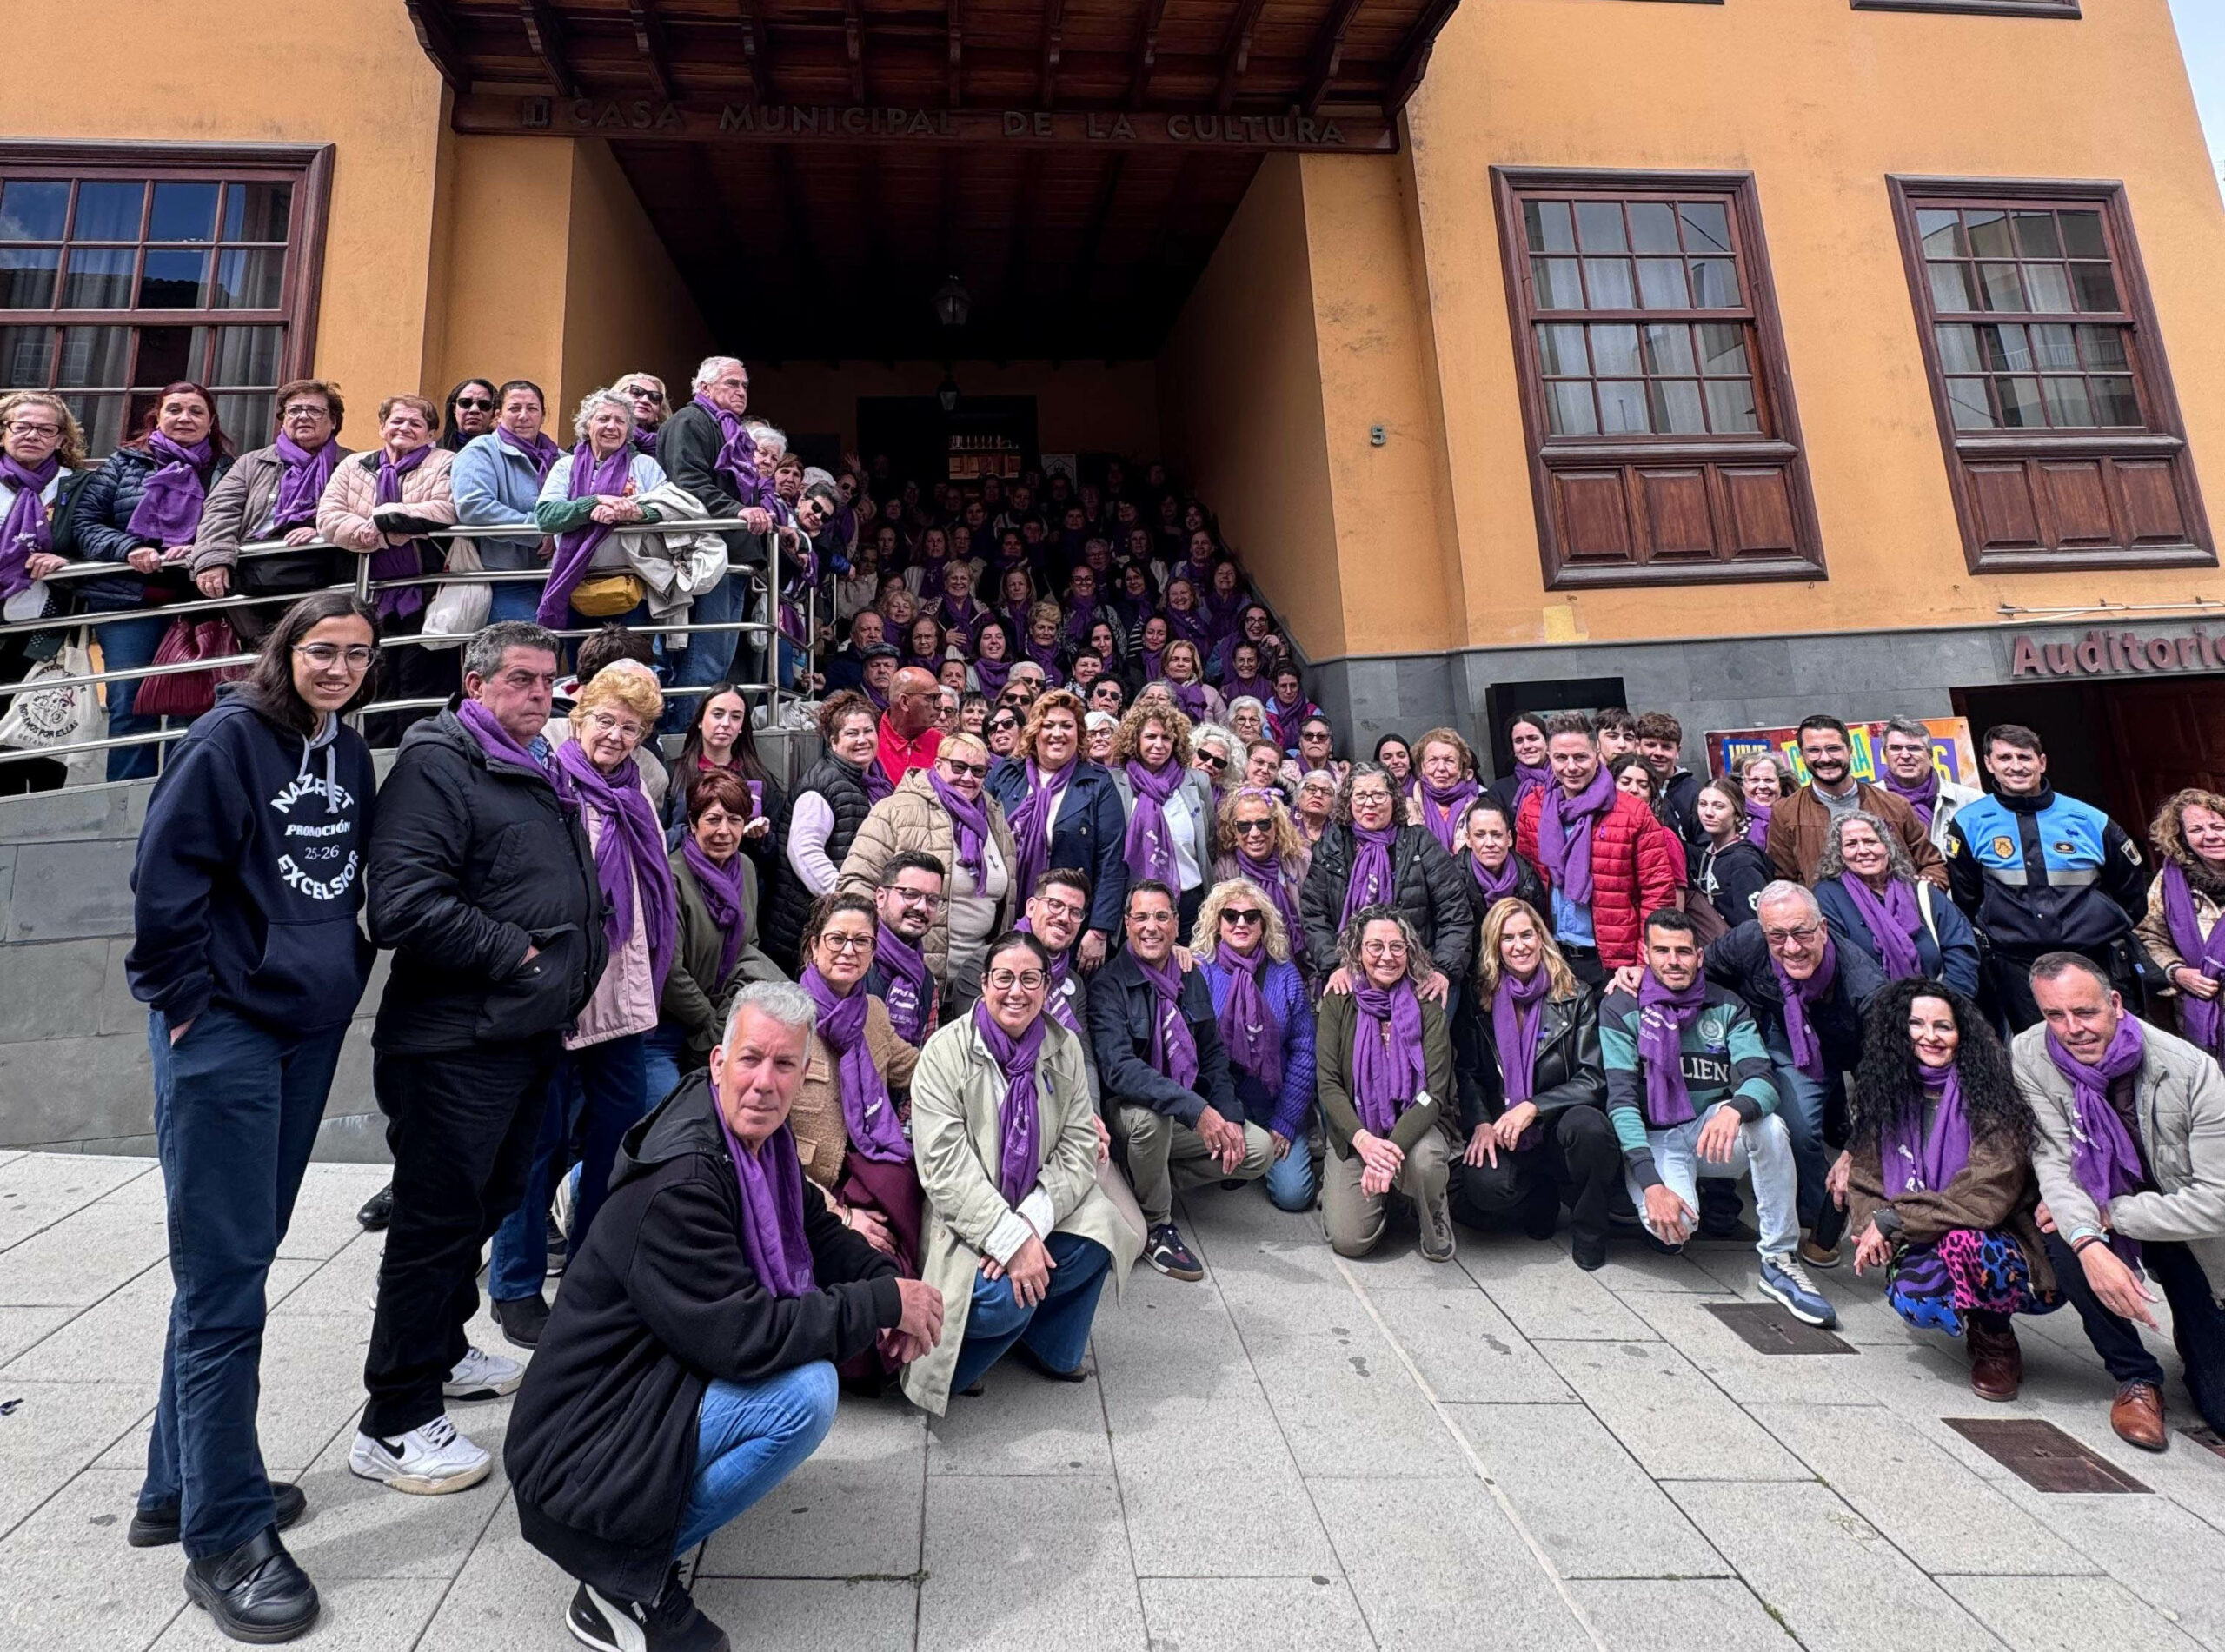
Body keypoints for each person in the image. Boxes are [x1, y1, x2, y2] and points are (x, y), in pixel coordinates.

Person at [506, 983, 941, 1652]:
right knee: (805, 1395)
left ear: (804, 1072)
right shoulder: (684, 1179)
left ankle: (639, 1538)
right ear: (718, 1062)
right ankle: (621, 1574)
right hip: (576, 1451)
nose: (764, 1082)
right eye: (750, 1059)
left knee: (803, 1371)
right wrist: (882, 1307)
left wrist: (889, 1284)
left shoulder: (757, 1141)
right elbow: (745, 1336)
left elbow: (818, 1230)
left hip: (642, 1383)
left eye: (784, 1064)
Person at [123, 592, 382, 1642]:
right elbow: (160, 876)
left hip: (303, 1025)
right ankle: (224, 1534)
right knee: (225, 1280)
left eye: (357, 654)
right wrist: (183, 1001)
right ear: (288, 649)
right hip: (224, 1028)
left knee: (236, 1260)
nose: (340, 667)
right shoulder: (227, 739)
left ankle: (176, 1482)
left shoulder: (348, 751)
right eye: (323, 650)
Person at [358, 620, 604, 1496]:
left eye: (548, 681)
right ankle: (394, 1419)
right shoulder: (438, 764)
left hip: (518, 1031)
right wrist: (518, 955)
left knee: (490, 1201)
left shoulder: (531, 760)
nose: (541, 694)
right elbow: (400, 902)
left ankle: (443, 1346)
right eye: (522, 680)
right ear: (476, 684)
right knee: (435, 1224)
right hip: (454, 1040)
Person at [488, 663, 676, 1349]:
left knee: (615, 1140)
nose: (616, 736)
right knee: (536, 1143)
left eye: (631, 727)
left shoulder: (636, 790)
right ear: (580, 716)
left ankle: (591, 1273)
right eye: (605, 720)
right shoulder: (552, 783)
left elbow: (651, 891)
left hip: (622, 996)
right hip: (560, 994)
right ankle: (514, 1285)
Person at [903, 932, 1139, 1412]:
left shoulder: (1063, 1045)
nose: (1017, 991)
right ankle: (963, 1364)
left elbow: (1079, 1143)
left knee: (1103, 1234)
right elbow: (946, 1170)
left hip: (1034, 1202)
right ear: (984, 984)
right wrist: (1009, 1241)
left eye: (1030, 979)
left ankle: (1049, 1344)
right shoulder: (944, 1052)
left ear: (1047, 987)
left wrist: (1031, 1223)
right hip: (966, 1218)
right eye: (1004, 978)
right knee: (1005, 1303)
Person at [2014, 952, 2225, 1449]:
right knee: (2061, 1232)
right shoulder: (2029, 1052)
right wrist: (2088, 1241)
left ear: (2115, 1003)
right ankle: (2136, 1376)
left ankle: (2196, 1336)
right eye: (2054, 1015)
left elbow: (2218, 1202)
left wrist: (2114, 1213)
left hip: (2178, 1218)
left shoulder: (2192, 1071)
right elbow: (2054, 1161)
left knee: (2220, 1410)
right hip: (2094, 1201)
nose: (2072, 1029)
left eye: (2085, 1012)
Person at [1600, 909, 1835, 1325]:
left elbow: (1762, 1079)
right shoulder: (1621, 1006)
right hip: (1655, 1138)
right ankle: (1640, 1190)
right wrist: (1652, 1183)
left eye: (1683, 951)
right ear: (1645, 955)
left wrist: (1734, 1109)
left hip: (1705, 1130)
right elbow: (1620, 1101)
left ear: (1700, 956)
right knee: (1674, 1228)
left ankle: (1779, 1258)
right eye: (1662, 951)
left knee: (1770, 1127)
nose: (1674, 961)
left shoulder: (1726, 1004)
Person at [1844, 981, 2058, 1401]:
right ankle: (1970, 1314)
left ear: (1963, 1034)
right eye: (1917, 1024)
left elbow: (1984, 1198)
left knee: (1966, 1242)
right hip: (1921, 1231)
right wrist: (1871, 1225)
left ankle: (1995, 1343)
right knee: (1916, 1301)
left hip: (2000, 1238)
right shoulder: (1887, 1091)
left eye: (1944, 1026)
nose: (1930, 1036)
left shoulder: (1991, 1094)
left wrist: (1894, 1219)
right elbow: (1866, 1178)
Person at [1091, 879, 1270, 1279]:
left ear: (1175, 923)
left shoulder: (1190, 976)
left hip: (1182, 1108)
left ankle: (1142, 1182)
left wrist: (1227, 1115)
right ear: (1127, 923)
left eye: (1160, 917)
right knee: (1150, 1124)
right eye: (1141, 917)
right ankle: (1157, 1224)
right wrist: (1197, 1111)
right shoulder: (1108, 984)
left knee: (1256, 1149)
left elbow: (1212, 1055)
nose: (1150, 927)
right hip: (1130, 1113)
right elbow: (1120, 1069)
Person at [1703, 881, 1883, 1265]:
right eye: (1777, 936)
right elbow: (1703, 973)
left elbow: (1887, 1077)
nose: (1792, 947)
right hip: (1787, 1036)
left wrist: (1857, 1149)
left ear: (1823, 929)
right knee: (1798, 1129)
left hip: (1854, 1049)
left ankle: (1830, 1217)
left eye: (1802, 933)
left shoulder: (1865, 985)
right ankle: (1810, 1211)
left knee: (1837, 1136)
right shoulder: (1748, 941)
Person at [72, 381, 236, 780]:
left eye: (196, 411)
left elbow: (239, 525)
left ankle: (184, 796)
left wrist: (201, 547)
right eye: (174, 409)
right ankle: (126, 799)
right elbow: (85, 523)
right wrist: (128, 548)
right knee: (130, 702)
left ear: (211, 421)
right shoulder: (124, 463)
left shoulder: (227, 469)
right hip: (129, 600)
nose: (185, 418)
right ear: (157, 417)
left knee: (193, 704)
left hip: (198, 603)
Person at [1450, 898, 1617, 1269]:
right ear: (1495, 946)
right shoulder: (1480, 999)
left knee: (1592, 1129)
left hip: (1559, 1126)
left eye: (1527, 935)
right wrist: (1480, 1122)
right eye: (1508, 938)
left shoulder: (1575, 994)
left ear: (1541, 937)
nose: (1519, 946)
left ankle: (1590, 1229)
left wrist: (1535, 1106)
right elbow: (1470, 1072)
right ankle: (1538, 1195)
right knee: (1481, 1189)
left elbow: (1593, 1077)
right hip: (1506, 1129)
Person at [1947, 724, 2149, 1032]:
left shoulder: (2089, 819)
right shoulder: (1969, 823)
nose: (2016, 766)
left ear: (2041, 763)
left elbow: (2130, 887)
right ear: (1989, 763)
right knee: (2037, 1047)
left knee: (2110, 1037)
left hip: (2093, 957)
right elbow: (1967, 896)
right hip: (2017, 965)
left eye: (2025, 757)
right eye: (2005, 758)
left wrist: (2103, 923)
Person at [787, 895, 927, 1316]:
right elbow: (766, 1151)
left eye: (861, 941)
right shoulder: (786, 1020)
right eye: (837, 939)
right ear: (814, 946)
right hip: (807, 1195)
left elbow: (922, 1071)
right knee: (875, 1271)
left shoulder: (874, 1014)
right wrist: (841, 1216)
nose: (849, 950)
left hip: (867, 1174)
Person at [316, 392, 460, 743]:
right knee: (375, 678)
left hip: (426, 591)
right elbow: (328, 518)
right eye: (397, 420)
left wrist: (382, 519)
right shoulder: (354, 465)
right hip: (369, 594)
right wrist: (378, 534)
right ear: (382, 427)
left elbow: (445, 509)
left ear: (431, 433)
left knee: (419, 679)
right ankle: (375, 754)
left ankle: (419, 752)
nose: (405, 427)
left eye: (416, 423)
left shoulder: (446, 462)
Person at [1318, 907, 1458, 1260]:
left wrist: (1388, 1153)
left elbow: (1433, 1093)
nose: (1387, 956)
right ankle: (1381, 1194)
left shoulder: (1427, 1003)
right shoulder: (1338, 999)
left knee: (1425, 1160)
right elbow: (1329, 1084)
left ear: (1409, 951)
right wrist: (1364, 1141)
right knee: (1349, 1240)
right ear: (1358, 951)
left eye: (1397, 946)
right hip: (1358, 1133)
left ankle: (1433, 1208)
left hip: (1415, 1127)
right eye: (1375, 946)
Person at [840, 735, 1016, 1009]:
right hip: (906, 975)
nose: (968, 777)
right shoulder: (896, 810)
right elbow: (857, 882)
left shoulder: (995, 818)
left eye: (978, 771)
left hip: (975, 983)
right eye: (958, 767)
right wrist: (878, 951)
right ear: (938, 764)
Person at [648, 769, 782, 1112]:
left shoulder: (746, 869)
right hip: (667, 1031)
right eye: (713, 819)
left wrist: (727, 1020)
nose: (724, 831)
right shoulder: (672, 877)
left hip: (724, 1021)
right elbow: (670, 972)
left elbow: (749, 949)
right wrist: (710, 1022)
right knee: (676, 1117)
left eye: (734, 820)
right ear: (693, 823)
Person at [1515, 713, 1678, 986]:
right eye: (1561, 758)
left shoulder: (1633, 812)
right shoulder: (1533, 808)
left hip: (1613, 963)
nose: (1571, 767)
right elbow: (1525, 883)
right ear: (1549, 757)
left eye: (1580, 757)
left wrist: (1643, 961)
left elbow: (1657, 892)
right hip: (1551, 955)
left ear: (1597, 754)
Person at [189, 380, 350, 643]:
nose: (303, 417)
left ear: (333, 421)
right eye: (294, 410)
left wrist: (321, 529)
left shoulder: (351, 464)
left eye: (314, 410)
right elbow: (220, 511)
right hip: (255, 571)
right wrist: (213, 559)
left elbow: (361, 512)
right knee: (265, 653)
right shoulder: (252, 463)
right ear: (283, 419)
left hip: (323, 572)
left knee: (311, 648)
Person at [1192, 879, 1319, 1213]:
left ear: (1264, 924)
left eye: (1251, 916)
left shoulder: (1285, 974)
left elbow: (1304, 1052)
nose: (1241, 923)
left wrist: (1286, 1120)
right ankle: (1244, 1157)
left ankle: (1258, 1155)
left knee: (1293, 1196)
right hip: (1221, 1105)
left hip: (1272, 1104)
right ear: (1217, 922)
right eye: (1230, 915)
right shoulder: (1201, 970)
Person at [1300, 761, 1472, 1000]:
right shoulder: (1332, 845)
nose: (1369, 803)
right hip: (1351, 973)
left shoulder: (1420, 842)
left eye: (1379, 795)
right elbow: (1314, 914)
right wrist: (1334, 965)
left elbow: (1455, 912)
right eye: (1360, 795)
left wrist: (1443, 969)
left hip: (1418, 975)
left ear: (1394, 799)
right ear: (1348, 801)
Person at [656, 356, 775, 695]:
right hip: (707, 553)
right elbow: (688, 482)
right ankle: (687, 726)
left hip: (730, 555)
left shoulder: (729, 429)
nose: (741, 391)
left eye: (744, 386)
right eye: (732, 384)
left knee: (719, 661)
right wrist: (739, 511)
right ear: (704, 387)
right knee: (705, 659)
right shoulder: (690, 420)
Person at [986, 687, 1128, 965]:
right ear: (1034, 731)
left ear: (1079, 733)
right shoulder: (1006, 773)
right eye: (1048, 725)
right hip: (1003, 912)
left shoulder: (1098, 782)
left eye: (1067, 726)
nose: (1057, 733)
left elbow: (1112, 860)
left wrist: (1099, 930)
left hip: (1069, 921)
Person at [0, 391, 94, 796]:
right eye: (21, 426)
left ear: (61, 439)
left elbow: (96, 538)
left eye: (45, 429)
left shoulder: (78, 486)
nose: (32, 435)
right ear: (4, 432)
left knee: (42, 729)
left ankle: (38, 816)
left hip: (47, 628)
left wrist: (66, 561)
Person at [530, 387, 674, 637]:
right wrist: (592, 505)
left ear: (628, 430)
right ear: (587, 425)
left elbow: (667, 508)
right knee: (581, 659)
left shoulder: (645, 466)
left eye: (620, 421)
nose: (611, 426)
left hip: (630, 586)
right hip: (576, 584)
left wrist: (633, 514)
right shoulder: (566, 466)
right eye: (603, 419)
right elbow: (545, 516)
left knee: (630, 658)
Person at [767, 690, 886, 967]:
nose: (862, 739)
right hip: (808, 925)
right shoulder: (821, 785)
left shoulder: (873, 782)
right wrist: (847, 898)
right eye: (851, 733)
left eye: (868, 731)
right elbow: (804, 851)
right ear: (833, 741)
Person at [1765, 715, 1946, 889]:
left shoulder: (1895, 805)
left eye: (1833, 749)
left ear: (1850, 751)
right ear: (1801, 755)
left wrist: (1923, 893)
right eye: (1814, 750)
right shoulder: (1786, 812)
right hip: (1825, 909)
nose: (1825, 758)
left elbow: (1932, 865)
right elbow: (1783, 880)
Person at [1815, 812, 1980, 995]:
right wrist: (1894, 1009)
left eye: (1870, 841)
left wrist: (1947, 1001)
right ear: (1839, 855)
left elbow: (1960, 948)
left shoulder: (1921, 892)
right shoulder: (1829, 897)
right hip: (1873, 1007)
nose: (1863, 850)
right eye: (1851, 844)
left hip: (1940, 1002)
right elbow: (1844, 968)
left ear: (1887, 847)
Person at [451, 379, 562, 625]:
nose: (524, 416)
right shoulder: (480, 451)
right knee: (528, 642)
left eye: (532, 408)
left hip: (557, 575)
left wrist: (557, 534)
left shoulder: (561, 459)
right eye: (514, 408)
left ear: (543, 415)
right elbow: (474, 507)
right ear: (498, 415)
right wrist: (539, 530)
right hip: (503, 577)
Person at [1107, 700, 1220, 934]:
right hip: (1135, 903)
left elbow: (1209, 842)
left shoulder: (1197, 781)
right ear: (1135, 740)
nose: (1158, 745)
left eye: (1166, 738)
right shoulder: (1116, 783)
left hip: (1190, 901)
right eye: (1150, 737)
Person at [2141, 788, 2225, 1068]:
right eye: (2196, 829)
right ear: (2182, 838)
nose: (2210, 836)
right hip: (2199, 1012)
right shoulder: (2169, 883)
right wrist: (2176, 972)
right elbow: (2148, 936)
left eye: (2218, 826)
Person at [1212, 786, 1311, 952]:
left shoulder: (1300, 861)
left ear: (1276, 825)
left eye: (1263, 824)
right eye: (1244, 826)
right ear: (1233, 830)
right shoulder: (1224, 871)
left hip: (1298, 955)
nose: (1255, 833)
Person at [1456, 795, 1546, 965]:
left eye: (1496, 835)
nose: (1489, 843)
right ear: (1468, 839)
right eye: (1480, 835)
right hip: (1471, 968)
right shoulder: (1452, 879)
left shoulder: (1528, 878)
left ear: (1509, 838)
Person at [1691, 779, 1770, 932]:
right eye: (1703, 804)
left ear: (1738, 815)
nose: (1708, 813)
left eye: (1719, 806)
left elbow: (1752, 926)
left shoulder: (1744, 861)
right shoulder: (1705, 856)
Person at [1609, 753, 1690, 892]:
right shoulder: (1597, 830)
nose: (1634, 790)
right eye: (1625, 782)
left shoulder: (1666, 838)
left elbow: (1675, 900)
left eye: (1643, 785)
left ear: (1652, 795)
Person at [1406, 726, 1482, 856]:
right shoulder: (1406, 808)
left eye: (1449, 760)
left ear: (1461, 769)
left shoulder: (1479, 807)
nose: (1441, 768)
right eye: (1433, 760)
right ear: (1423, 767)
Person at [1634, 711, 1704, 848]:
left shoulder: (1695, 792)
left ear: (1678, 751)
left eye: (1666, 747)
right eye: (1651, 745)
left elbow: (1705, 846)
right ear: (1638, 747)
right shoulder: (1626, 787)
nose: (1658, 753)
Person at [875, 664, 945, 791]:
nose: (940, 705)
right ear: (905, 702)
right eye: (931, 698)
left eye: (939, 698)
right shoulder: (871, 739)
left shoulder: (942, 743)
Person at [1485, 715, 1551, 818]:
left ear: (1547, 743)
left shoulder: (1566, 780)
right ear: (1513, 749)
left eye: (1533, 738)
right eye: (1519, 741)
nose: (1526, 746)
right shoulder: (1499, 792)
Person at [822, 609, 886, 694]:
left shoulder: (892, 665)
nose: (873, 635)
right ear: (853, 635)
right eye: (865, 630)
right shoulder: (837, 667)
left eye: (877, 630)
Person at [1737, 750, 1788, 853]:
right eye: (1754, 780)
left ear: (1780, 783)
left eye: (1769, 780)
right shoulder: (1731, 815)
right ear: (1741, 785)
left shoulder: (1796, 815)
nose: (1762, 786)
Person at [615, 370, 669, 454]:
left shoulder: (669, 445)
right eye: (636, 392)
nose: (645, 400)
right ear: (616, 398)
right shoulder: (603, 435)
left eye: (654, 397)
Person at [438, 379, 497, 452]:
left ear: (494, 412)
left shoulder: (503, 453)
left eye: (484, 405)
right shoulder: (434, 453)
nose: (474, 410)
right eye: (465, 403)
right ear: (454, 409)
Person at [1293, 769, 1338, 848]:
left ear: (1333, 804)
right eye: (1311, 789)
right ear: (1299, 796)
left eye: (1326, 792)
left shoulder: (1339, 835)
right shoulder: (1283, 821)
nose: (1318, 795)